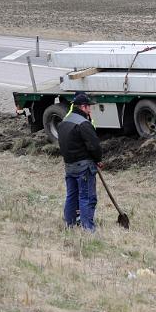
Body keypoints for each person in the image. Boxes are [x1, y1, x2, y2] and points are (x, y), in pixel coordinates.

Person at [57, 93, 102, 231]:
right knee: (87, 198)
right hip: (84, 167)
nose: (90, 110)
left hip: (69, 166)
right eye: (89, 107)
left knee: (72, 196)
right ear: (83, 107)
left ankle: (69, 224)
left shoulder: (64, 122)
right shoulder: (83, 123)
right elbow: (94, 146)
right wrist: (98, 160)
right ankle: (88, 229)